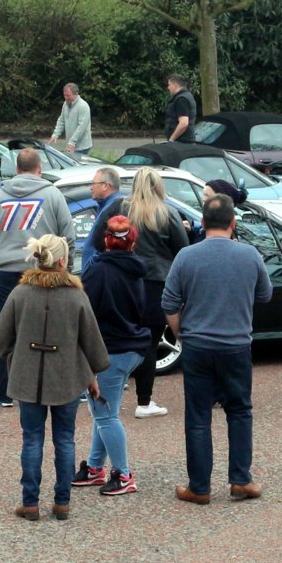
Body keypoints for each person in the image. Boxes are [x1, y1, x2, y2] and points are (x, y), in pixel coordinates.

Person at [163, 194, 272, 504]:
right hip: (236, 345)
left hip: (197, 345)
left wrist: (181, 332)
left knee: (198, 417)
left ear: (201, 222)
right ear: (233, 223)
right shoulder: (249, 255)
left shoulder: (186, 256)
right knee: (239, 412)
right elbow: (265, 295)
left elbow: (169, 303)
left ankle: (199, 486)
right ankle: (241, 480)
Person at [0, 234, 109, 521]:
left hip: (27, 377)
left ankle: (30, 503)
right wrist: (92, 373)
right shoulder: (76, 296)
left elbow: (1, 334)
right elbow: (91, 341)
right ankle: (62, 503)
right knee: (65, 440)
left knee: (32, 440)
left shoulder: (20, 293)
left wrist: (14, 358)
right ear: (61, 261)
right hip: (67, 378)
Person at [0, 148, 74, 408]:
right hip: (45, 269)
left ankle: (5, 391)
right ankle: (48, 388)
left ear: (17, 169)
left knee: (8, 329)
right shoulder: (53, 195)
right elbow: (68, 235)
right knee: (49, 327)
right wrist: (66, 268)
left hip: (7, 271)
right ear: (39, 168)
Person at [92, 169, 188, 418]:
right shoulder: (168, 213)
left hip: (122, 280)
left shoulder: (120, 207)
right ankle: (144, 401)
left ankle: (109, 390)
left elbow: (96, 240)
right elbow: (182, 249)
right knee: (150, 343)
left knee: (117, 335)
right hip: (156, 282)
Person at [77, 215, 150, 497]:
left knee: (105, 415)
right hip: (133, 346)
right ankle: (96, 467)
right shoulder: (137, 270)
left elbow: (84, 312)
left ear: (106, 240)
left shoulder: (98, 272)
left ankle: (123, 473)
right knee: (103, 412)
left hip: (111, 349)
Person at [78, 167, 122, 270]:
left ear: (105, 186)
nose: (91, 187)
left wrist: (90, 267)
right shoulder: (106, 206)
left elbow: (105, 247)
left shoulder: (114, 208)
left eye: (93, 183)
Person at [49, 82, 93, 154]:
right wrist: (55, 134)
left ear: (76, 94)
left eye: (68, 95)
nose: (66, 98)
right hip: (71, 145)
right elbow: (61, 120)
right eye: (64, 95)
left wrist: (72, 142)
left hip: (82, 147)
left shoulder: (83, 106)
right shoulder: (65, 104)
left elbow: (82, 127)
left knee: (78, 164)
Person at [164, 74, 197, 142]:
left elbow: (184, 123)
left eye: (169, 85)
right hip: (185, 140)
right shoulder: (186, 96)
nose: (168, 87)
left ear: (175, 85)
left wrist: (172, 139)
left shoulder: (181, 99)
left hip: (181, 141)